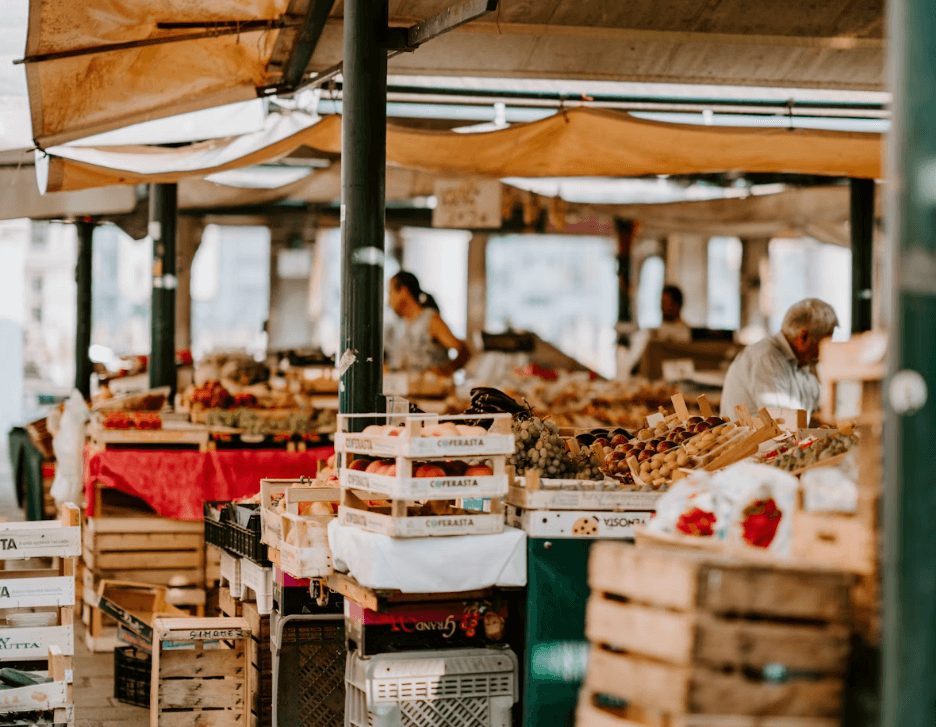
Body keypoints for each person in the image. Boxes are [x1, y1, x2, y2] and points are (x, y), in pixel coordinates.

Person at [720, 298, 839, 420]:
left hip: (783, 438)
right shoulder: (767, 358)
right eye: (824, 343)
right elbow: (784, 423)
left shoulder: (800, 363)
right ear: (803, 337)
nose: (825, 350)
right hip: (753, 439)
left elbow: (823, 402)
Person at [385, 271, 470, 375]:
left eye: (390, 293)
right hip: (409, 389)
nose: (389, 301)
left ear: (403, 291)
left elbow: (464, 351)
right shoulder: (401, 325)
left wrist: (446, 370)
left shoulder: (430, 320)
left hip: (432, 390)